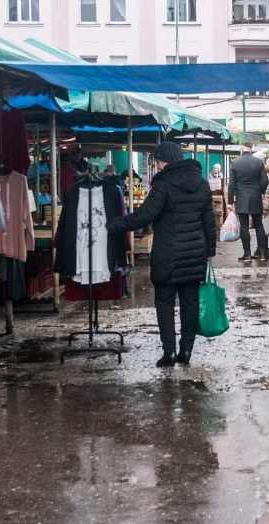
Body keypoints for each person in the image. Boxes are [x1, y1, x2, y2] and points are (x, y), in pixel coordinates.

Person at [107, 142, 216, 368]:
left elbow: (144, 216)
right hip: (195, 253)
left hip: (167, 254)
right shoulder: (202, 184)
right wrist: (209, 251)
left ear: (164, 161)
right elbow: (209, 221)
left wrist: (114, 224)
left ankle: (169, 352)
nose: (155, 166)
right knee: (190, 303)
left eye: (156, 162)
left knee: (165, 303)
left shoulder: (163, 185)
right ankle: (186, 350)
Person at [228, 141, 269, 262]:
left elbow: (232, 184)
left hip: (241, 198)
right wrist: (260, 191)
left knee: (244, 226)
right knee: (258, 224)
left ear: (242, 148)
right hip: (256, 196)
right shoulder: (258, 162)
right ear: (252, 148)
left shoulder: (235, 162)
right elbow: (265, 181)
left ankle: (247, 254)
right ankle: (261, 253)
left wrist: (230, 201)